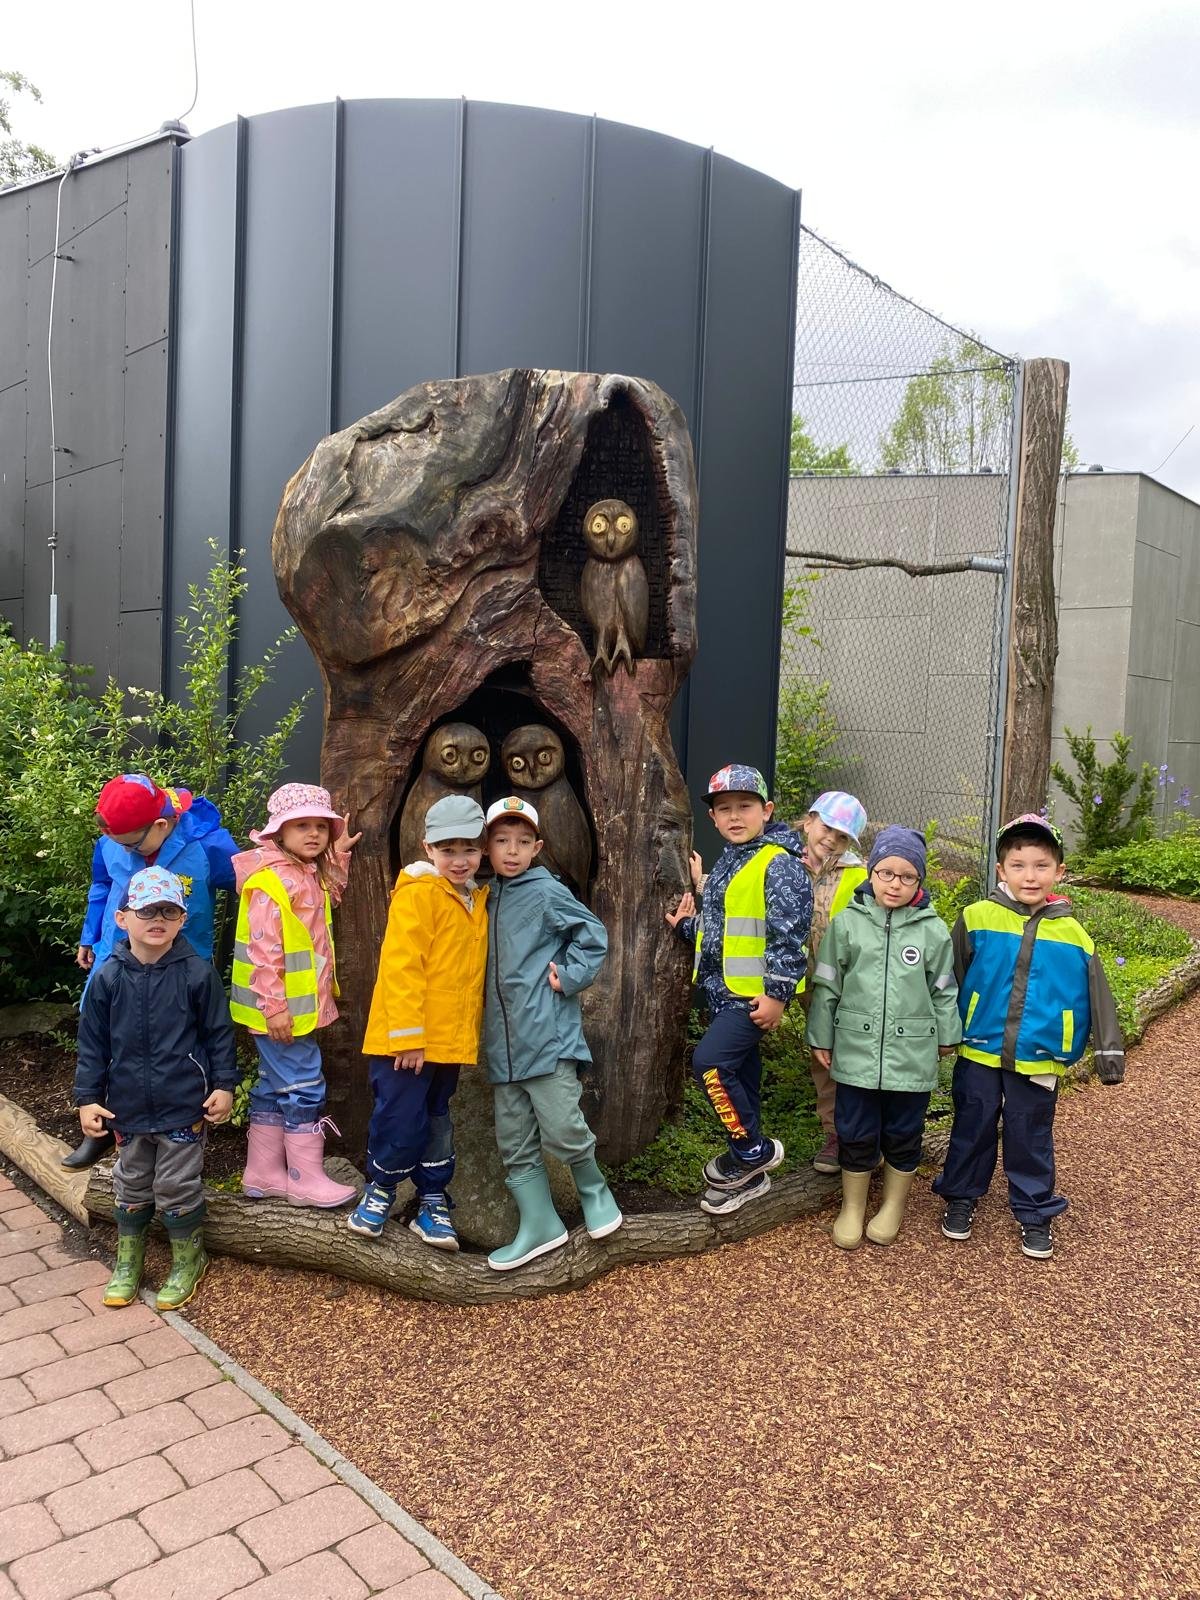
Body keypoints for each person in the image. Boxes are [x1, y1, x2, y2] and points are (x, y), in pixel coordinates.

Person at [932, 813, 1125, 1260]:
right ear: (1001, 870)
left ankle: (1035, 1212)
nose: (1030, 876)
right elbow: (950, 978)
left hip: (1040, 1055)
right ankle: (961, 1196)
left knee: (1030, 1135)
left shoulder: (1074, 934)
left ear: (1059, 871)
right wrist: (944, 1032)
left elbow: (1099, 994)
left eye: (1041, 866)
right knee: (972, 1126)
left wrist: (1109, 1055)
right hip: (979, 1051)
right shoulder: (976, 917)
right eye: (1018, 866)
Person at [75, 866, 236, 1310]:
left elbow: (219, 1034)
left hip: (183, 1103)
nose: (157, 919)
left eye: (168, 911)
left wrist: (224, 1084)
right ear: (123, 918)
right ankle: (129, 1260)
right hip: (126, 1107)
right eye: (147, 910)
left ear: (183, 919)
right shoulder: (108, 977)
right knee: (130, 1182)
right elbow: (92, 1044)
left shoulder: (197, 973)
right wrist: (88, 1098)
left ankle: (189, 1260)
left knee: (176, 1185)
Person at [66, 773, 238, 1170]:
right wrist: (90, 936)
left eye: (130, 844)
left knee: (171, 1038)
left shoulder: (207, 845)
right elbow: (101, 885)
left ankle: (183, 1128)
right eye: (116, 842)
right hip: (118, 958)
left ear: (161, 825)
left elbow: (255, 881)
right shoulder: (113, 840)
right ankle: (102, 1127)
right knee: (105, 1030)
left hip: (181, 967)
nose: (121, 849)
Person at [666, 764, 812, 1216]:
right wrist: (687, 926)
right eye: (724, 809)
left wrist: (778, 995)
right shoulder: (733, 859)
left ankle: (752, 1151)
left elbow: (789, 935)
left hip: (752, 999)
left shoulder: (779, 864)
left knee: (709, 1064)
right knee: (742, 1077)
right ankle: (752, 1176)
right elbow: (726, 931)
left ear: (766, 811)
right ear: (712, 817)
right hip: (723, 993)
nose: (734, 816)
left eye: (745, 806)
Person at [806, 826, 960, 1249]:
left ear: (919, 881)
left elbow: (944, 988)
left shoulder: (932, 930)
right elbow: (827, 984)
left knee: (904, 1130)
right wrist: (821, 1035)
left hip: (912, 1052)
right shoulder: (848, 924)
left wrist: (948, 1033)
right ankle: (852, 1206)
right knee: (854, 1128)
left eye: (907, 876)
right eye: (886, 873)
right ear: (870, 873)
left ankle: (893, 1204)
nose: (895, 884)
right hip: (855, 1047)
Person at [483, 796, 619, 1271]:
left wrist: (571, 975)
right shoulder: (485, 896)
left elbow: (592, 934)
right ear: (486, 846)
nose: (512, 850)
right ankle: (540, 1224)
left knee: (562, 1127)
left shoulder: (545, 891)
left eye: (523, 842)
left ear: (537, 848)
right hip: (501, 1046)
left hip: (546, 1036)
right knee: (514, 1141)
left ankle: (595, 1193)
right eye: (502, 840)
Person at [348, 794, 490, 1250]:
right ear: (428, 849)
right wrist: (408, 1038)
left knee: (437, 1119)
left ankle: (432, 1200)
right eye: (448, 850)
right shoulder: (420, 893)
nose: (459, 860)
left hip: (446, 1041)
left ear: (482, 849)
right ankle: (380, 1190)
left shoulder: (473, 898)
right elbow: (401, 967)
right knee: (400, 1117)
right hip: (406, 1042)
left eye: (469, 849)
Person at [229, 783, 360, 1209]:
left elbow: (331, 895)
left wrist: (339, 855)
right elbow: (263, 950)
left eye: (320, 826)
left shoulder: (306, 872)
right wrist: (274, 1009)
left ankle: (263, 1173)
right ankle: (305, 1179)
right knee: (304, 1085)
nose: (314, 834)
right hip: (279, 1011)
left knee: (273, 1085)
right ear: (279, 833)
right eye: (301, 826)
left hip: (291, 1009)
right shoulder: (271, 882)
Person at [794, 791, 869, 1175]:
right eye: (827, 827)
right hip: (801, 982)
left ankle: (855, 1133)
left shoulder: (858, 876)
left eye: (842, 836)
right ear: (809, 821)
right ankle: (835, 1132)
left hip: (844, 986)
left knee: (847, 1055)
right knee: (821, 1054)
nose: (831, 839)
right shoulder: (783, 861)